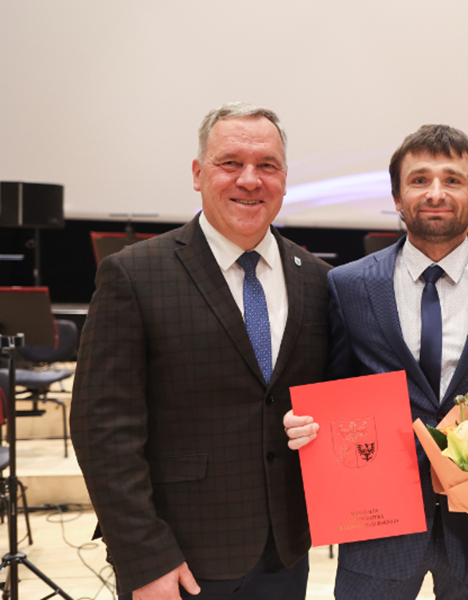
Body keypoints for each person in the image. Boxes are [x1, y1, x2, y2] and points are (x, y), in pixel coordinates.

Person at [71, 102, 331, 599]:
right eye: (230, 163)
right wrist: (144, 557)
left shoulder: (317, 279)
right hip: (177, 561)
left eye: (267, 165)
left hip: (285, 556)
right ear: (197, 174)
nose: (250, 180)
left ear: (284, 178)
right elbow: (102, 429)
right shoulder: (134, 274)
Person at [284, 124, 468, 599]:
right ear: (397, 196)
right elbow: (332, 392)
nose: (435, 193)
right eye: (419, 179)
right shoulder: (348, 284)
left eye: (453, 180)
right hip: (375, 525)